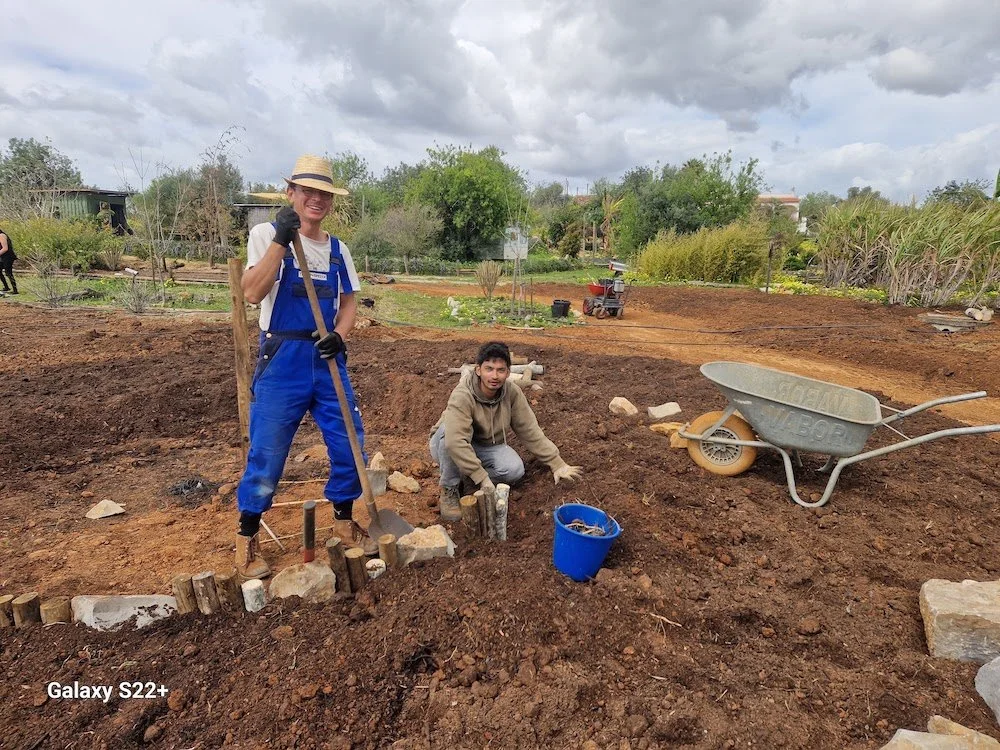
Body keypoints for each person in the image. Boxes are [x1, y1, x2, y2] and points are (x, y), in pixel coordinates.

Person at [234, 154, 370, 580]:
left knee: (349, 440)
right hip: (283, 360)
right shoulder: (265, 234)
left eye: (323, 193)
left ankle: (345, 521)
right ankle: (246, 536)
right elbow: (252, 293)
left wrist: (340, 335)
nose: (315, 199)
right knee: (268, 450)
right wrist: (280, 238)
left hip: (326, 357)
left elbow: (348, 304)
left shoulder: (337, 249)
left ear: (330, 201)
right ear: (290, 193)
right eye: (307, 190)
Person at [429, 341, 583, 520]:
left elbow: (529, 429)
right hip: (446, 444)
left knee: (514, 470)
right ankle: (450, 488)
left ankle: (468, 479)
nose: (494, 376)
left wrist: (557, 464)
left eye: (500, 370)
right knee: (449, 433)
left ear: (508, 373)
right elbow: (455, 442)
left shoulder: (511, 392)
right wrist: (484, 479)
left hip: (485, 445)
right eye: (489, 369)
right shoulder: (463, 395)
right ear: (478, 370)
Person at [0, 227, 17, 294]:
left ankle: (15, 290)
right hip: (2, 256)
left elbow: (5, 248)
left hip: (8, 256)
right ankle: (6, 287)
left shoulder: (1, 235)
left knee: (8, 273)